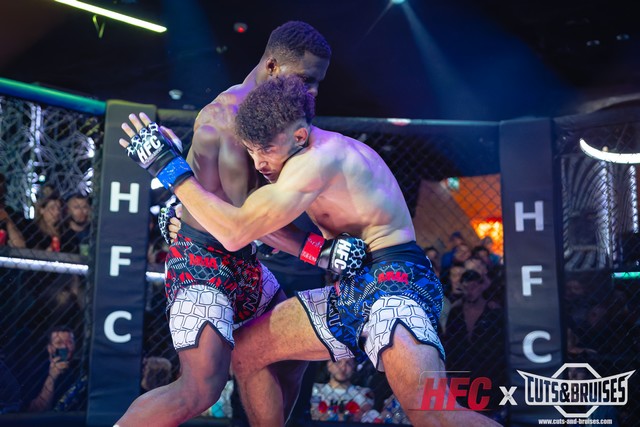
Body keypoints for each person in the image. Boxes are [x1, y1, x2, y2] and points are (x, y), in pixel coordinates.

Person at [120, 76, 500, 426]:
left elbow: (236, 231)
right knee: (248, 353)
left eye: (265, 150)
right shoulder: (292, 159)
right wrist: (187, 205)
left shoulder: (315, 161)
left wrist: (168, 169)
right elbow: (251, 219)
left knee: (432, 413)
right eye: (252, 151)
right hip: (352, 287)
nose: (259, 163)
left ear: (299, 135)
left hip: (393, 286)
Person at [114, 21, 363, 427]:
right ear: (272, 66)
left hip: (244, 264)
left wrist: (173, 205)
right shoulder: (230, 122)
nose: (314, 91)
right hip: (204, 264)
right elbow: (246, 223)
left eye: (318, 82)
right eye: (306, 79)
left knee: (291, 354)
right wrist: (322, 252)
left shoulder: (273, 115)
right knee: (199, 390)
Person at [21, 326, 85, 412]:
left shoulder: (81, 369)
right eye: (59, 343)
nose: (64, 347)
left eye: (69, 342)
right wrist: (52, 377)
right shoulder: (35, 373)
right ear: (50, 348)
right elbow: (35, 411)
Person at [310, 359, 374, 422]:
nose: (343, 368)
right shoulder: (314, 389)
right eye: (338, 362)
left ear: (354, 366)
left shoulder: (363, 392)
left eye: (348, 363)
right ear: (329, 365)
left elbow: (365, 413)